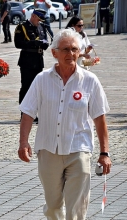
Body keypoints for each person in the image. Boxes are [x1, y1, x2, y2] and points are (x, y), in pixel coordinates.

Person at [18, 29, 112, 219]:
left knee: (76, 208)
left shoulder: (90, 81)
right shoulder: (41, 79)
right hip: (48, 150)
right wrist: (23, 143)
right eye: (66, 49)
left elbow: (99, 118)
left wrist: (104, 153)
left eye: (75, 49)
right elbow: (27, 112)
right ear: (54, 53)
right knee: (53, 207)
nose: (71, 54)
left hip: (79, 150)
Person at [14, 8, 49, 120]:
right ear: (33, 16)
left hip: (38, 60)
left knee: (37, 88)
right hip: (27, 61)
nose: (39, 22)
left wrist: (44, 45)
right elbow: (18, 43)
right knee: (26, 87)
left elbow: (45, 40)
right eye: (38, 19)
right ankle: (24, 114)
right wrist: (35, 43)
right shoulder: (22, 27)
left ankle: (34, 113)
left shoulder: (41, 27)